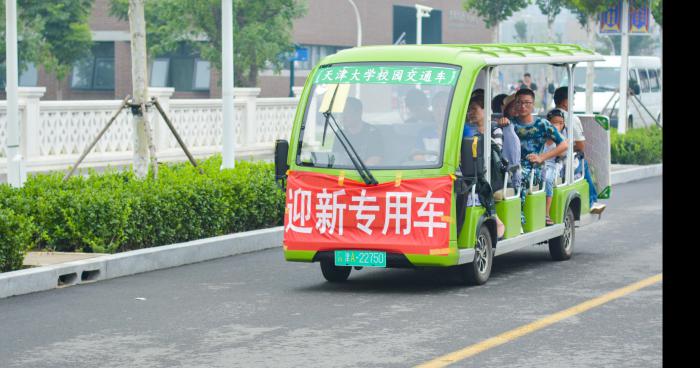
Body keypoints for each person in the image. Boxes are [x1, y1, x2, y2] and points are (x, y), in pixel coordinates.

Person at [511, 88, 568, 225]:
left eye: (527, 103)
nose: (523, 106)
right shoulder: (510, 123)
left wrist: (542, 157)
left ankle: (520, 219)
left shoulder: (542, 124)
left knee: (519, 176)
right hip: (513, 165)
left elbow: (563, 145)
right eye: (519, 102)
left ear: (533, 104)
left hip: (533, 167)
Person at [553, 87, 606, 215]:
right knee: (583, 162)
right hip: (564, 160)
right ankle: (592, 201)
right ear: (565, 102)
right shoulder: (571, 118)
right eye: (573, 99)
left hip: (548, 157)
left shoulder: (548, 116)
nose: (574, 103)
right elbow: (581, 146)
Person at [464, 94, 506, 238]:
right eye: (469, 110)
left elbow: (495, 153)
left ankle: (495, 219)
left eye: (474, 109)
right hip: (472, 169)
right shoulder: (467, 130)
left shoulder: (495, 130)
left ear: (485, 110)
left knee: (480, 182)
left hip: (493, 172)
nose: (471, 113)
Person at [331, 97, 383, 166]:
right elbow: (335, 158)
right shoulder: (340, 134)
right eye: (342, 112)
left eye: (347, 111)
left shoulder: (373, 133)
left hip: (364, 175)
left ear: (358, 113)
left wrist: (355, 173)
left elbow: (375, 159)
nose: (343, 115)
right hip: (343, 173)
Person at [542, 109, 567, 225]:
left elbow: (562, 154)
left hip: (553, 165)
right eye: (555, 123)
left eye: (561, 123)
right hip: (539, 164)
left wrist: (556, 137)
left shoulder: (562, 139)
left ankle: (546, 213)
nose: (558, 125)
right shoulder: (541, 135)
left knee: (547, 179)